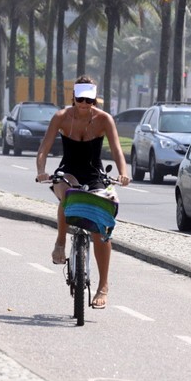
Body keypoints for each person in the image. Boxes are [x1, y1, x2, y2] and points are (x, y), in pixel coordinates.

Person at [36, 75, 131, 309]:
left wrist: (123, 172)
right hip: (67, 171)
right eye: (80, 99)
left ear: (94, 101)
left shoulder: (104, 120)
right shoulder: (61, 117)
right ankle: (60, 243)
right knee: (67, 193)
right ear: (73, 98)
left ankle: (103, 286)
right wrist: (41, 171)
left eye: (89, 100)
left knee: (101, 225)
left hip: (94, 173)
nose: (84, 104)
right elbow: (44, 149)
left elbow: (118, 150)